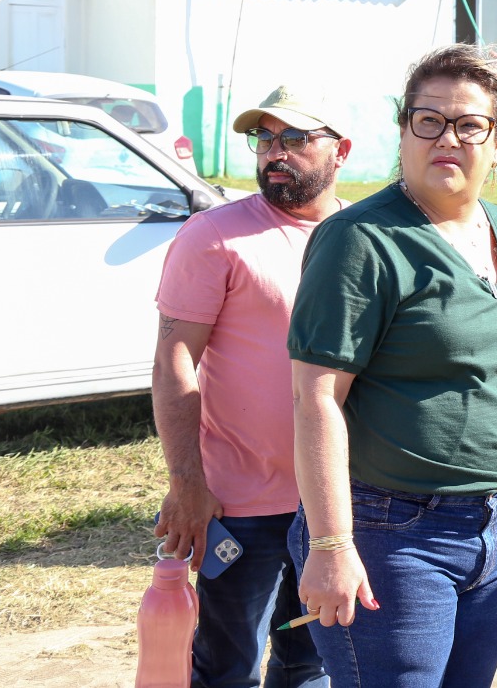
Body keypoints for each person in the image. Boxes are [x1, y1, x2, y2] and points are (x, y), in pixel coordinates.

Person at [287, 43, 497, 687]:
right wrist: (330, 545)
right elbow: (315, 398)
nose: (447, 138)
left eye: (470, 125)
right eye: (428, 120)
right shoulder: (361, 239)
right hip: (391, 532)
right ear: (403, 129)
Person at [152, 86, 349, 688]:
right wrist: (187, 482)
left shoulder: (365, 237)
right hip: (241, 506)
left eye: (295, 138)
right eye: (263, 138)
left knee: (312, 665)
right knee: (226, 669)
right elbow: (174, 361)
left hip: (338, 502)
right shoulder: (214, 235)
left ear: (340, 151)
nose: (274, 152)